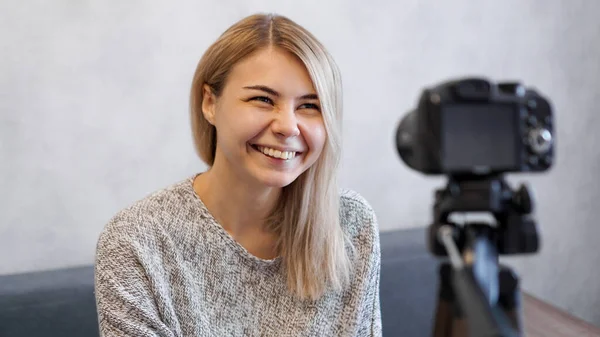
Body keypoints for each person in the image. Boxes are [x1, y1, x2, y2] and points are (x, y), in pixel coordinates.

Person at [94, 12, 382, 337]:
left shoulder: (350, 224)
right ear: (210, 103)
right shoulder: (137, 242)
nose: (288, 126)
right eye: (262, 99)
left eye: (309, 106)